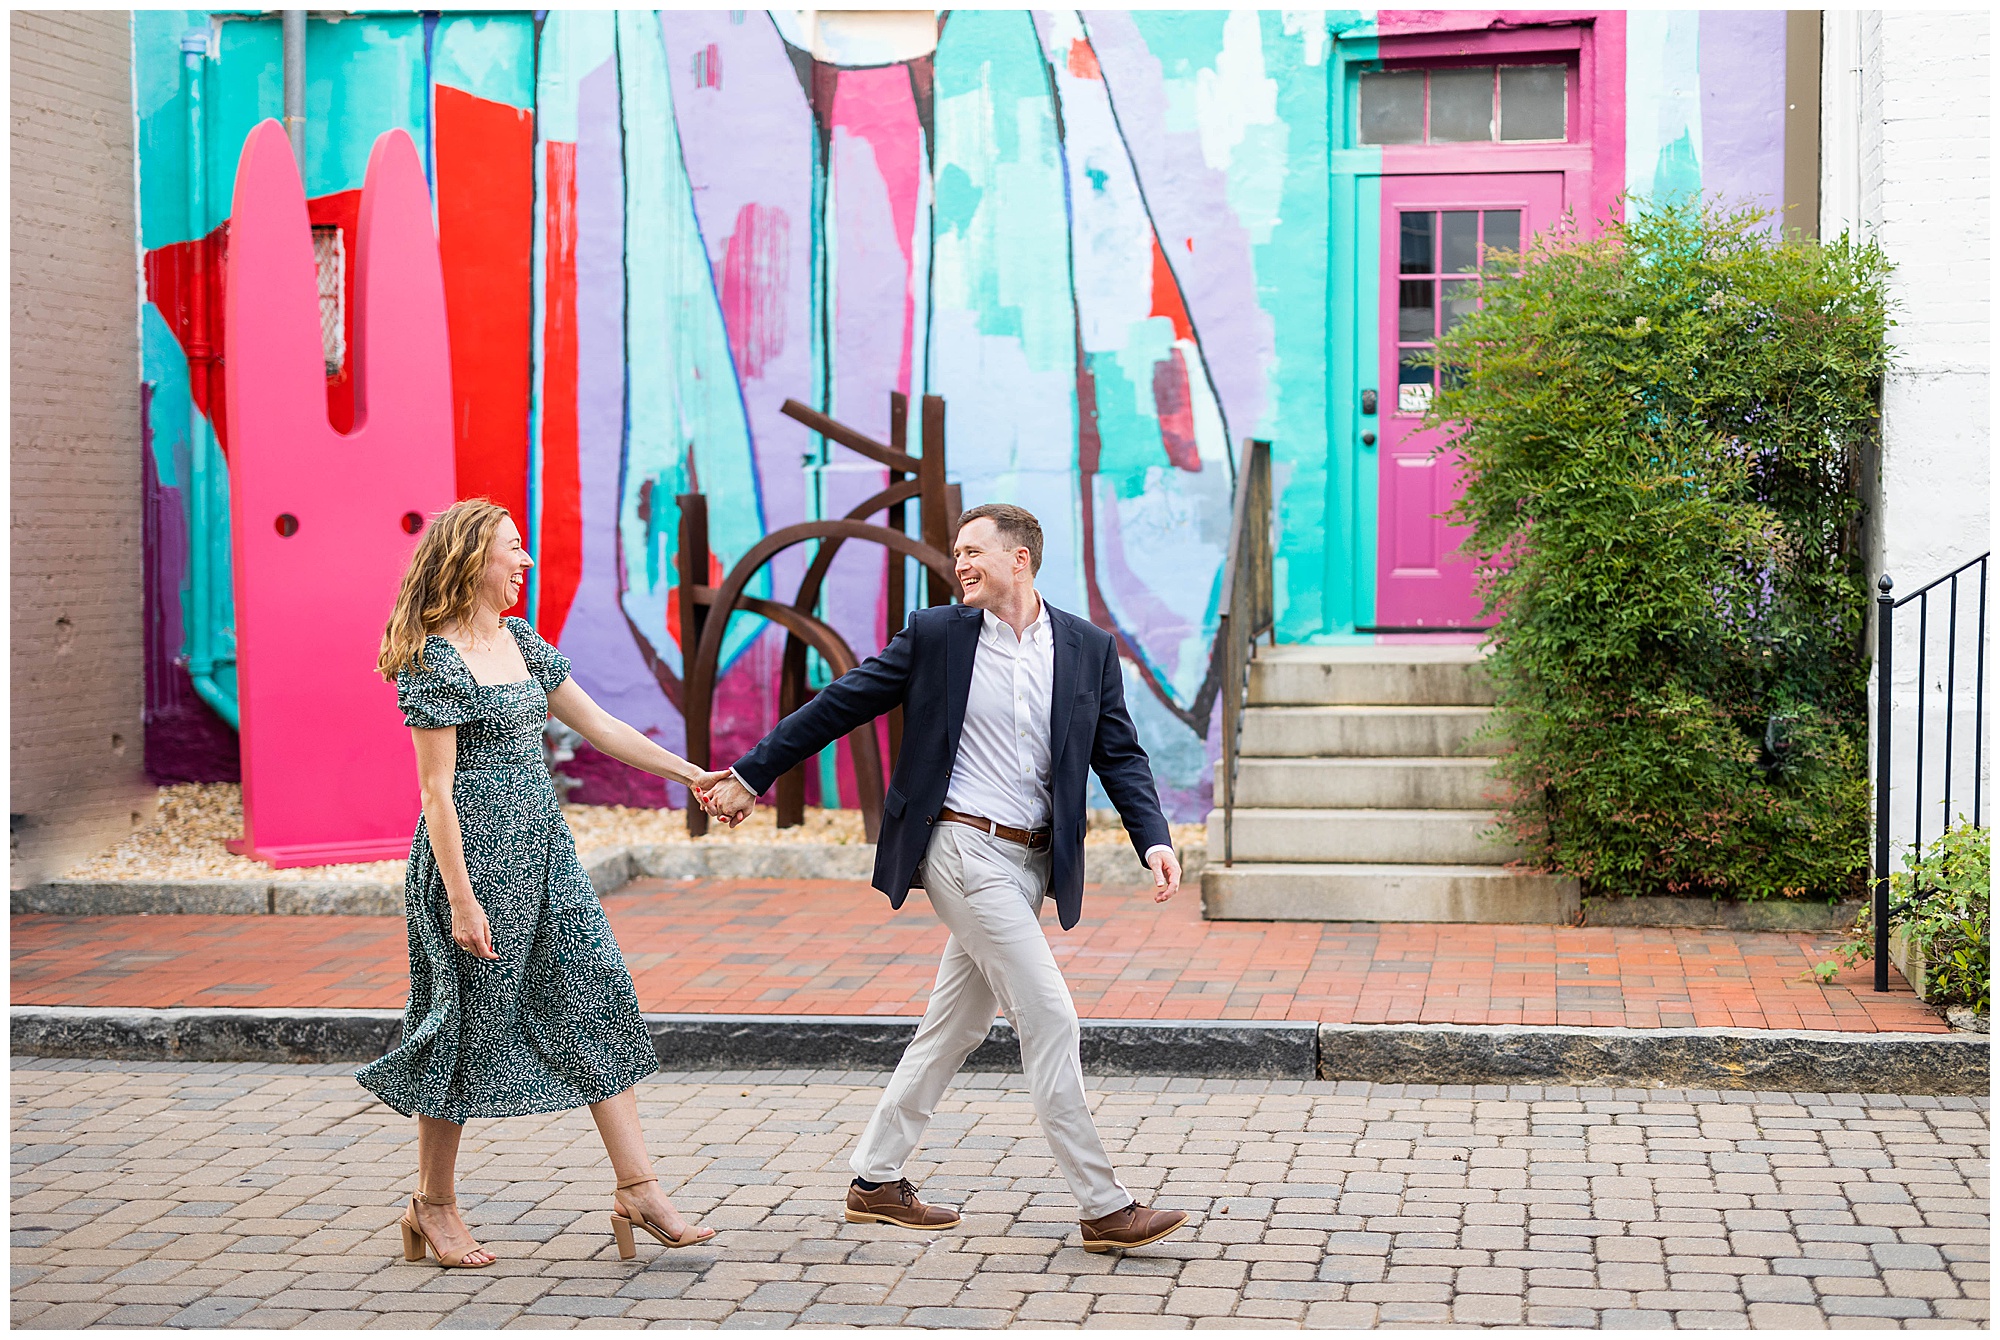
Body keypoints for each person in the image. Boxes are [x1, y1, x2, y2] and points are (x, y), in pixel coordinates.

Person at [701, 503, 1190, 1253]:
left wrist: (1152, 838)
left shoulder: (1087, 647)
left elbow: (1118, 753)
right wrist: (750, 775)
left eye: (972, 551)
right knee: (1051, 1017)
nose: (959, 564)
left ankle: (875, 1180)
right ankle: (1103, 1204)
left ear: (1020, 558)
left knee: (957, 1024)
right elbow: (841, 702)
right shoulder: (937, 636)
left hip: (1032, 863)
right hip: (961, 848)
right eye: (956, 552)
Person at [356, 499, 733, 1268]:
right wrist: (461, 900)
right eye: (513, 549)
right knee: (462, 1027)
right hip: (473, 868)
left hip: (546, 856)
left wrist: (692, 774)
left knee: (597, 991)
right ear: (472, 559)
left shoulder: (519, 640)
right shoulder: (433, 659)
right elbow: (436, 794)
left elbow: (603, 727)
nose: (525, 562)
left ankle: (639, 1188)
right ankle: (433, 1204)